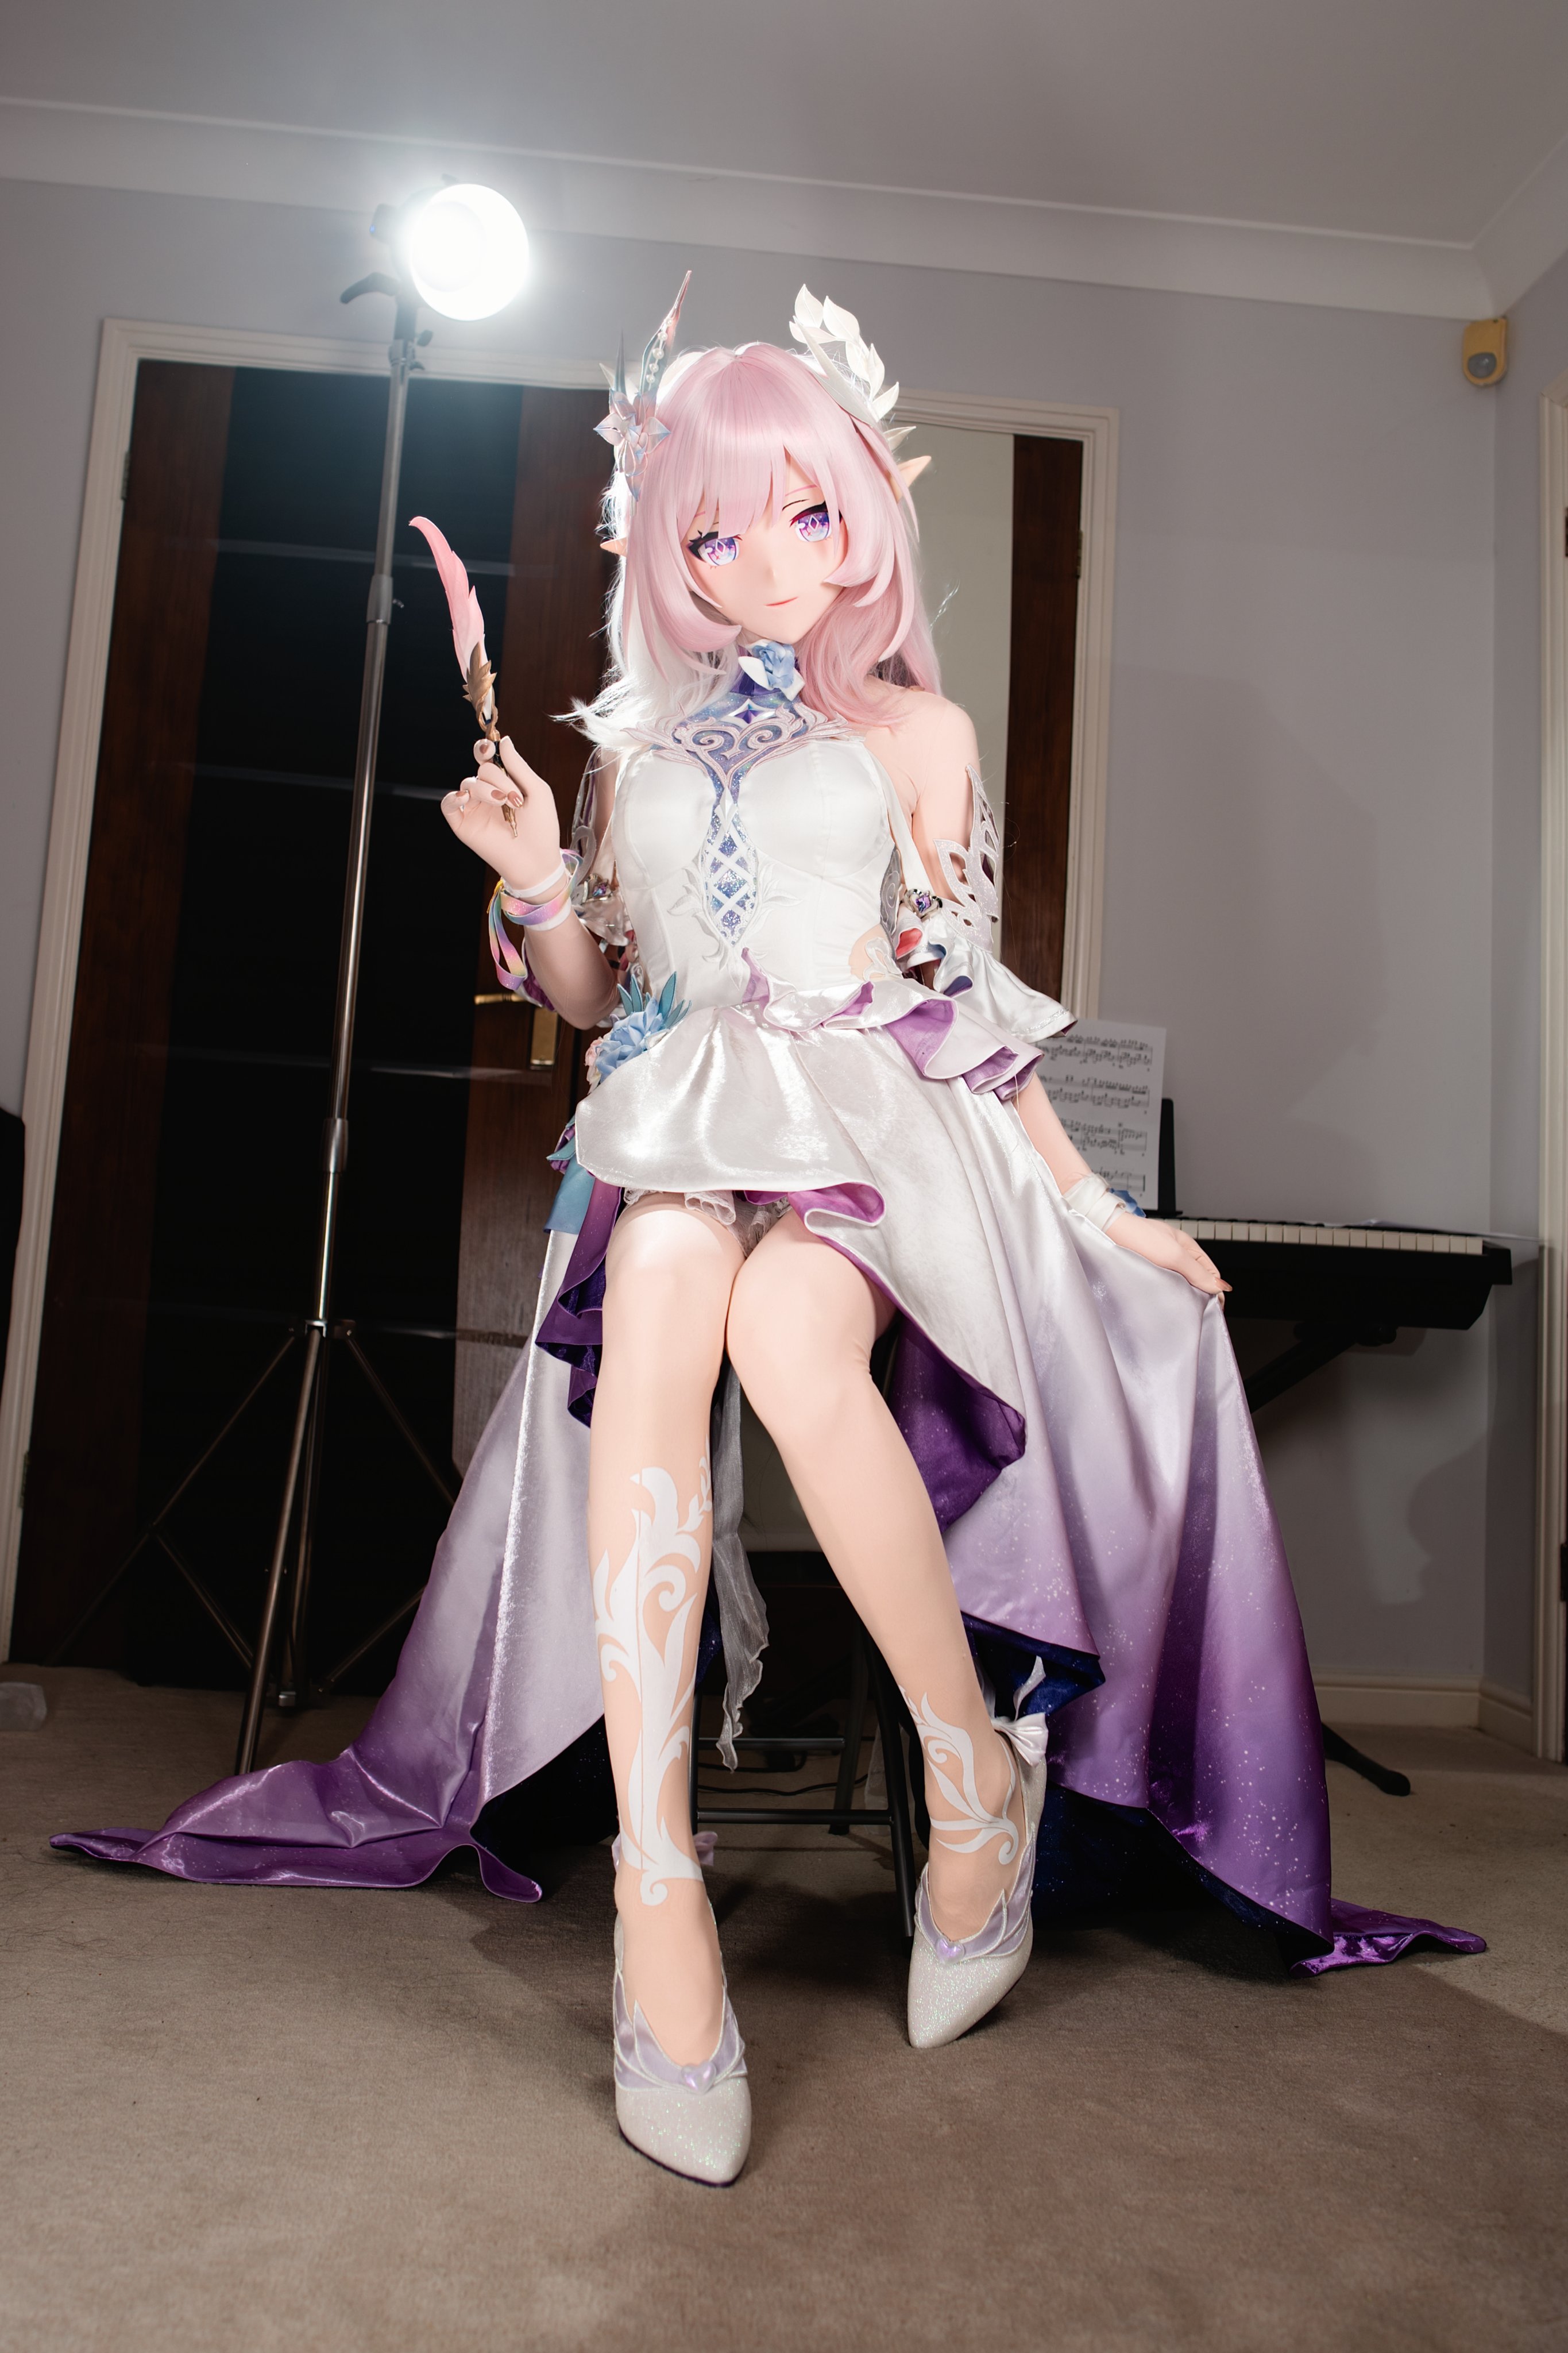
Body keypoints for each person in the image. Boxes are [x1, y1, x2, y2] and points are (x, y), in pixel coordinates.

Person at [57, 282, 1480, 2187]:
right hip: (680, 1120)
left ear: (864, 507)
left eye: (803, 514)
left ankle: (970, 1771)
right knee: (660, 1274)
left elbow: (956, 995)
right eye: (714, 532)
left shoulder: (917, 731)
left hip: (877, 1127)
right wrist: (532, 875)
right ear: (667, 544)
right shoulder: (631, 750)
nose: (764, 561)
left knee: (793, 1339)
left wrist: (1090, 1201)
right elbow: (598, 1001)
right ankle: (658, 1893)